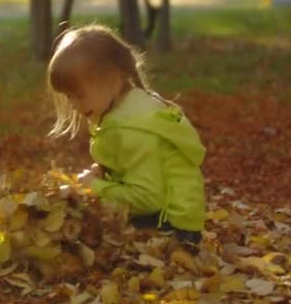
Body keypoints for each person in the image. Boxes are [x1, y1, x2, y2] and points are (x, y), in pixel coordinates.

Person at [47, 24, 205, 251]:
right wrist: (105, 174)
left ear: (111, 78)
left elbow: (148, 199)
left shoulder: (130, 128)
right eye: (69, 97)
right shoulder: (132, 107)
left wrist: (96, 187)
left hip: (172, 230)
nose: (74, 105)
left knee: (82, 239)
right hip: (172, 222)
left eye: (79, 95)